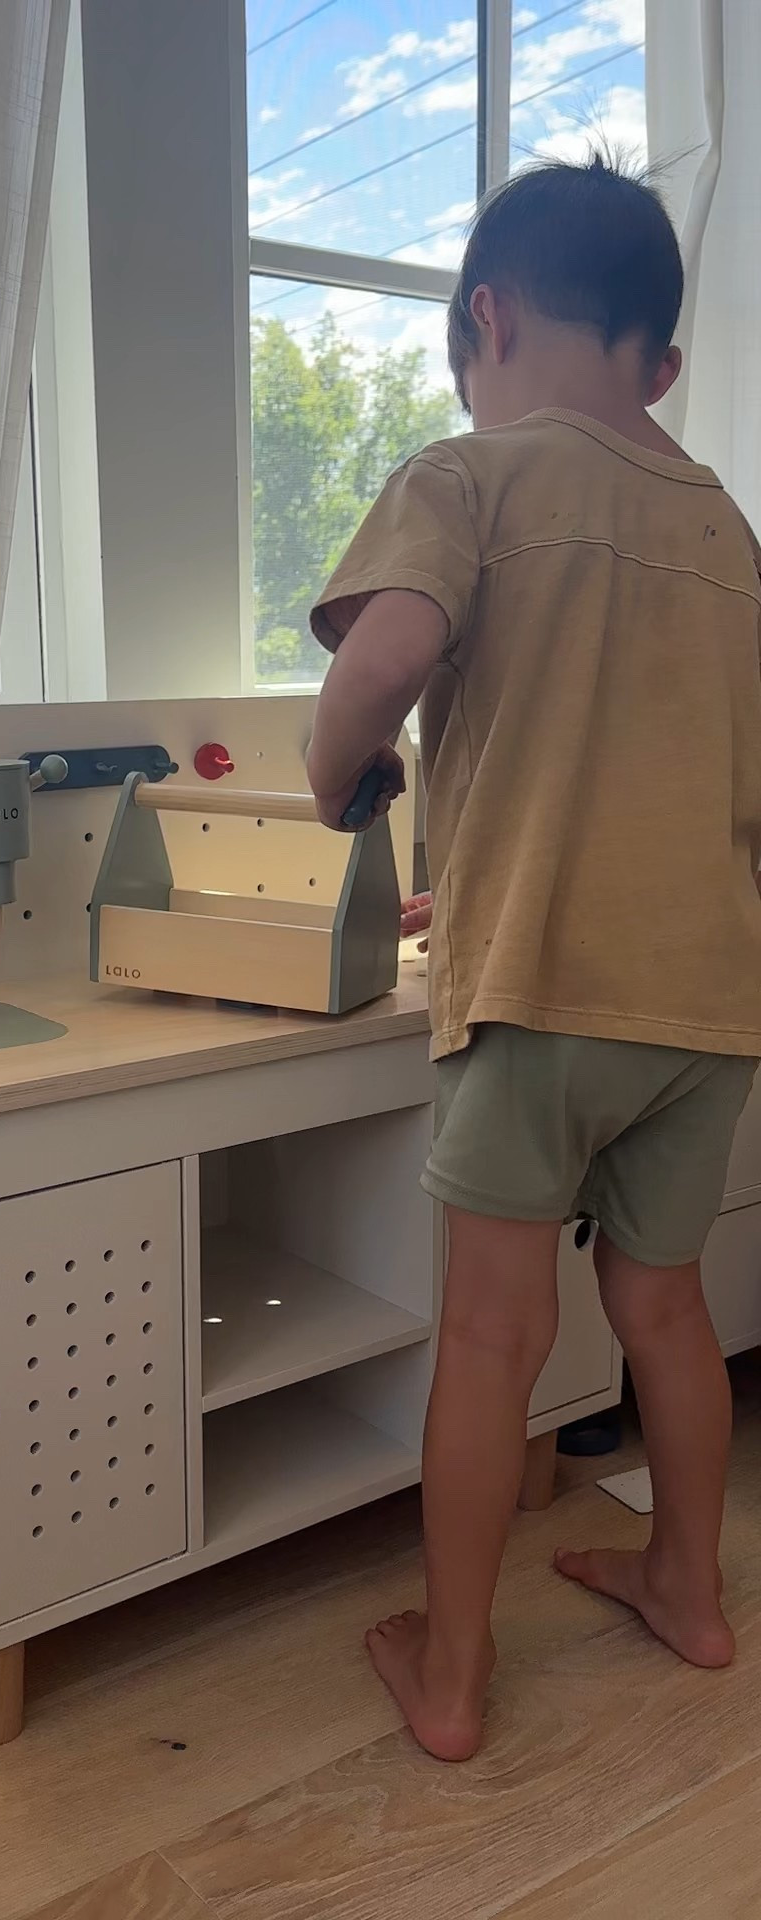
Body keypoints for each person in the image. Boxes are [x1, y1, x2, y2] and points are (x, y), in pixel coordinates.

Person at [306, 154, 761, 1764]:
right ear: (666, 364)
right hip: (707, 1004)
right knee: (666, 1311)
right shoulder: (730, 530)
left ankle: (451, 1670)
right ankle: (689, 1588)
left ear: (485, 323)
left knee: (495, 1339)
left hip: (540, 992)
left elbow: (391, 655)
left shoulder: (470, 474)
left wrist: (333, 771)